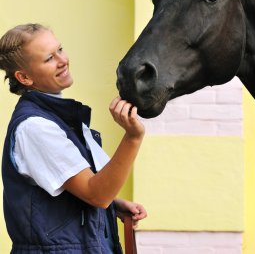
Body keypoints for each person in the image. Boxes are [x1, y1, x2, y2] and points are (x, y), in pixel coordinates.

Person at [0, 23, 147, 254]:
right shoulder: (36, 128)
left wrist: (111, 206)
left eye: (60, 49)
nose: (62, 60)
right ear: (24, 77)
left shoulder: (62, 118)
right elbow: (97, 193)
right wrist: (133, 137)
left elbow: (84, 192)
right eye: (49, 58)